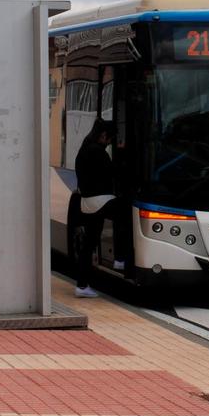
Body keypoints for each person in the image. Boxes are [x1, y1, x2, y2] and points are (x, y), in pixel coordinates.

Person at [72, 119, 132, 298]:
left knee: (89, 244)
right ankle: (120, 259)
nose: (109, 143)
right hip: (102, 199)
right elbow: (114, 172)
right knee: (126, 215)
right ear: (103, 136)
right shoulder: (98, 152)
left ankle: (81, 286)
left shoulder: (84, 149)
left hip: (87, 202)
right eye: (110, 139)